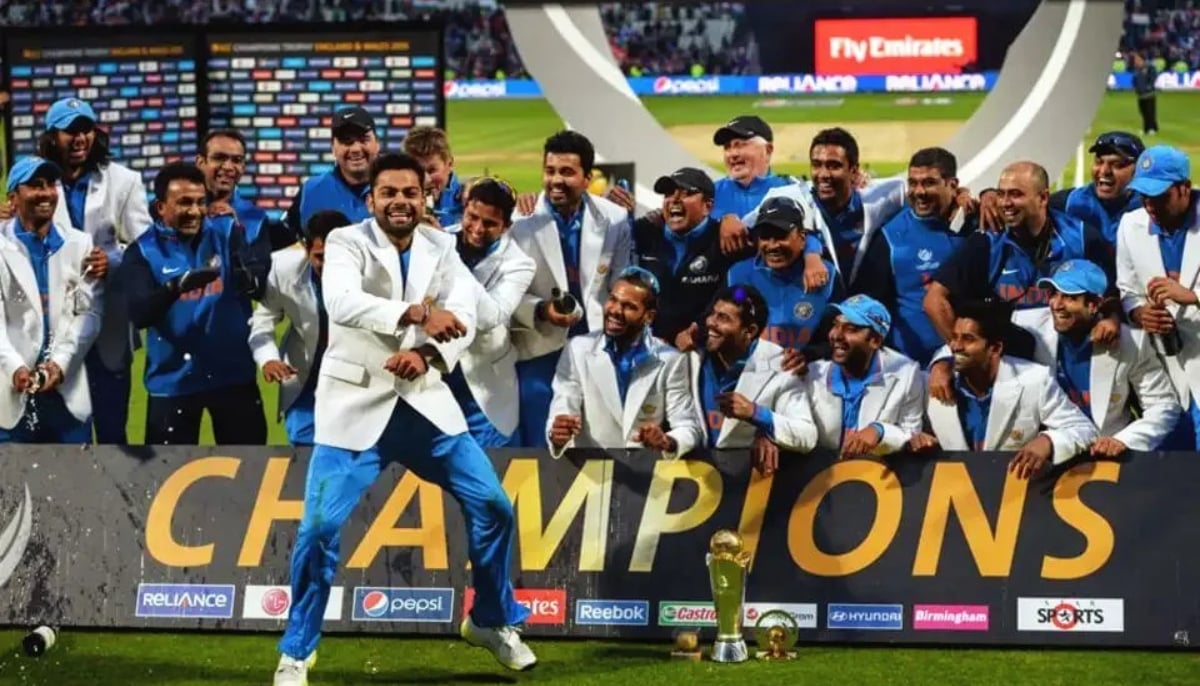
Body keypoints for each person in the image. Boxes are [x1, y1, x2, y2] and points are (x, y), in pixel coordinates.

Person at [273, 153, 534, 686]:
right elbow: (342, 302)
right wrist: (416, 314)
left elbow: (461, 318)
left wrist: (427, 356)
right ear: (371, 200)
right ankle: (297, 650)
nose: (399, 201)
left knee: (495, 507)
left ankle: (488, 619)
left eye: (410, 193)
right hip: (352, 409)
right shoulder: (347, 241)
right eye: (388, 192)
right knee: (319, 528)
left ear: (425, 199)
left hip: (424, 404)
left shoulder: (443, 247)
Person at [120, 163, 267, 446]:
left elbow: (255, 282)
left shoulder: (226, 232)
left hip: (234, 377)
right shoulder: (142, 251)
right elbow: (140, 315)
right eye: (184, 203)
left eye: (201, 202)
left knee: (249, 477)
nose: (195, 211)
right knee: (166, 482)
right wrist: (176, 287)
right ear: (161, 207)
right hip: (172, 383)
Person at [923, 160, 1116, 366]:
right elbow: (934, 300)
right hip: (1013, 368)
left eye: (1016, 194)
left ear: (1043, 198)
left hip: (1075, 360)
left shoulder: (1081, 237)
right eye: (1001, 194)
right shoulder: (987, 242)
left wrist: (1111, 317)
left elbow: (1114, 291)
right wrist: (962, 353)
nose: (1005, 203)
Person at [509, 130, 633, 447]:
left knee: (598, 437)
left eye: (567, 172)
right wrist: (540, 310)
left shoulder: (615, 218)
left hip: (596, 345)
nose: (556, 180)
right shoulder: (518, 221)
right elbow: (505, 290)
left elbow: (620, 284)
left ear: (587, 177)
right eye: (550, 171)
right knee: (543, 440)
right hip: (539, 346)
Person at [38, 97, 151, 444]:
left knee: (113, 428)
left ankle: (116, 498)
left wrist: (112, 260)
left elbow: (146, 245)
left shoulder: (123, 180)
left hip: (109, 323)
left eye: (85, 129)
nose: (80, 138)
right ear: (52, 137)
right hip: (52, 326)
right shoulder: (36, 181)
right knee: (63, 429)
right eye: (70, 131)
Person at [915, 298, 1098, 479]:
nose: (955, 346)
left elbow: (1083, 429)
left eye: (968, 339)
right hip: (953, 493)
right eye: (954, 337)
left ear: (995, 348)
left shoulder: (1035, 379)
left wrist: (1047, 442)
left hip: (1016, 495)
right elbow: (904, 429)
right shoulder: (933, 382)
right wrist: (913, 440)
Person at [0, 157, 106, 443]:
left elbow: (89, 315)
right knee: (11, 487)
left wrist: (59, 365)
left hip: (66, 393)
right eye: (35, 186)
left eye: (50, 185)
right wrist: (15, 369)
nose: (46, 193)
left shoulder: (80, 243)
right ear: (13, 196)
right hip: (10, 396)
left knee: (75, 486)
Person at [547, 266, 702, 459]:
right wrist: (558, 435)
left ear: (649, 316)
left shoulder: (671, 360)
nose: (615, 311)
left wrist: (667, 442)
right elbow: (563, 405)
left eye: (629, 306)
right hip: (591, 471)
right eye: (613, 299)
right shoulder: (577, 349)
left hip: (644, 474)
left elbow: (688, 426)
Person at [1035, 259, 1179, 454]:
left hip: (1106, 456)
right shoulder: (1033, 329)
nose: (1056, 304)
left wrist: (1123, 441)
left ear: (1093, 305)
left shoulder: (1132, 342)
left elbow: (1163, 405)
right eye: (1054, 294)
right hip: (1052, 452)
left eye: (1069, 297)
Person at [738, 127, 906, 289]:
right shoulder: (791, 196)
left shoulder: (879, 199)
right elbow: (743, 227)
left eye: (834, 166)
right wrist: (728, 219)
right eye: (817, 164)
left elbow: (909, 187)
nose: (823, 174)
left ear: (854, 171)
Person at [852, 147, 972, 366]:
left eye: (928, 183)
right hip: (909, 368)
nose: (919, 191)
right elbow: (868, 303)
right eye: (913, 183)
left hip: (967, 363)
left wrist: (989, 194)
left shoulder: (975, 225)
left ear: (952, 185)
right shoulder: (890, 237)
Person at [1115, 144, 1200, 449]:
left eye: (1160, 196)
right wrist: (1139, 313)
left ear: (1184, 189)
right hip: (1164, 372)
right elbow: (1126, 290)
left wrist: (1193, 296)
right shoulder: (1130, 225)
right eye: (1144, 194)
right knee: (1169, 477)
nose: (1150, 204)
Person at [443, 178, 536, 447]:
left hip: (485, 392)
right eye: (472, 217)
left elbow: (489, 317)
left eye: (490, 223)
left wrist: (450, 261)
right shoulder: (438, 241)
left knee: (495, 479)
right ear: (464, 211)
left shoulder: (519, 264)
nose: (477, 228)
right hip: (435, 380)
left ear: (506, 226)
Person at [685, 284, 818, 467]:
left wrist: (755, 414)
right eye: (713, 314)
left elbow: (807, 436)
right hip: (694, 479)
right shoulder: (692, 356)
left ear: (750, 331)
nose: (711, 322)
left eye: (723, 318)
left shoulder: (782, 365)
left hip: (746, 483)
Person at [248, 210, 348, 446]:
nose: (329, 264)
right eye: (321, 256)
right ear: (305, 247)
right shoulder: (282, 268)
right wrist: (268, 359)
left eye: (337, 256)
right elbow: (262, 322)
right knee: (302, 455)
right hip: (305, 379)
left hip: (355, 382)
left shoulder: (375, 271)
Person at [632, 167, 752, 349]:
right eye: (668, 194)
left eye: (686, 193)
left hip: (705, 349)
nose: (674, 200)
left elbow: (741, 294)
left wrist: (701, 329)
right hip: (647, 348)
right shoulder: (644, 232)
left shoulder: (725, 239)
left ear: (708, 206)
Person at [803, 295, 924, 457]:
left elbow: (912, 435)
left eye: (851, 329)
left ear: (875, 341)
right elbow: (799, 427)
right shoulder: (812, 374)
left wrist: (880, 431)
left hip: (876, 474)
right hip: (821, 475)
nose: (836, 335)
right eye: (835, 325)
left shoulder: (906, 374)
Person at [728, 196, 842, 366]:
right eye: (765, 237)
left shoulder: (826, 276)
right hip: (750, 376)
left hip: (809, 376)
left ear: (803, 238)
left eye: (781, 236)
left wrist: (808, 355)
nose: (773, 245)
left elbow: (841, 337)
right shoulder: (739, 275)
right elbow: (731, 307)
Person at [283, 106, 380, 239]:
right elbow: (289, 242)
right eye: (346, 141)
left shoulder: (398, 188)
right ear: (333, 148)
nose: (356, 148)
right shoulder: (310, 191)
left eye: (364, 139)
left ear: (377, 143)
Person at [197, 128, 298, 251]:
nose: (228, 167)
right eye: (219, 158)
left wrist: (236, 231)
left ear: (243, 167)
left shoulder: (256, 219)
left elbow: (257, 268)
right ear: (200, 162)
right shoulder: (181, 210)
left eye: (237, 160)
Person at [1048, 131, 1145, 248]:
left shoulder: (1149, 210)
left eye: (1117, 164)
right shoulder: (1065, 204)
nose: (1104, 171)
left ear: (1138, 170)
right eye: (1099, 162)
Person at [708, 115, 792, 230]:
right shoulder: (710, 195)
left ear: (768, 150)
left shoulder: (790, 191)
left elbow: (810, 238)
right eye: (727, 147)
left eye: (741, 145)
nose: (733, 154)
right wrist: (719, 223)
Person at [402, 125, 465, 228]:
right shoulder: (396, 202)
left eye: (432, 171)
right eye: (417, 171)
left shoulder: (469, 199)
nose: (425, 179)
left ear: (449, 164)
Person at [1131, 53, 1159, 136]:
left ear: (1142, 60)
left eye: (1137, 59)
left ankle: (1152, 128)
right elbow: (1135, 80)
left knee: (1150, 112)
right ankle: (1146, 128)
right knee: (1143, 112)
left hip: (1149, 94)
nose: (1136, 61)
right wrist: (1136, 88)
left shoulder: (1149, 68)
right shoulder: (1137, 70)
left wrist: (1148, 87)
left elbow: (1153, 77)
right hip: (1140, 95)